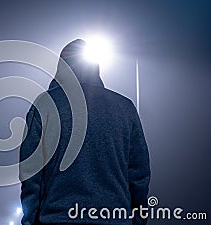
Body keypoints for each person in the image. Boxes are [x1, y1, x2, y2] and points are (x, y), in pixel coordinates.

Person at [19, 39, 151, 225]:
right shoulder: (125, 107)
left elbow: (31, 175)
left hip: (58, 218)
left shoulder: (45, 105)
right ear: (95, 68)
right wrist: (138, 221)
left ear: (62, 67)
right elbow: (139, 177)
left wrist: (30, 222)